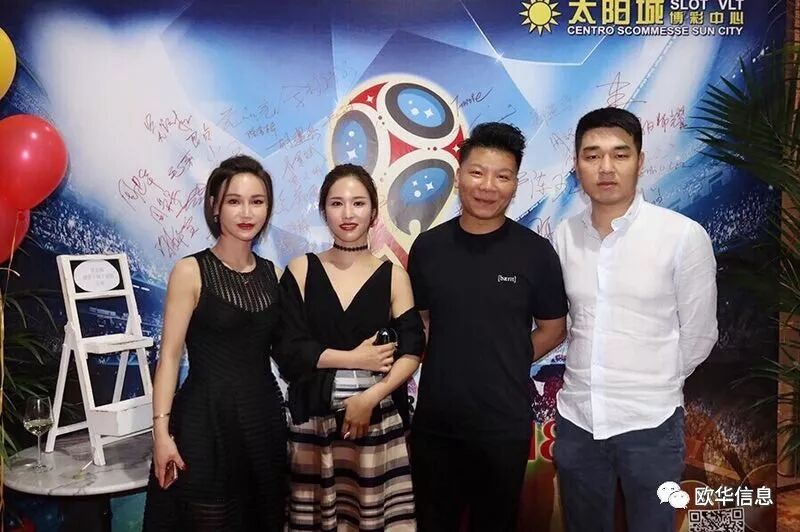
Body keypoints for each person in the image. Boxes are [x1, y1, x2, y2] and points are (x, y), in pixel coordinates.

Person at [551, 107, 718, 532]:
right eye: (592, 155)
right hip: (578, 420)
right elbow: (565, 322)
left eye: (620, 154)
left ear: (640, 161)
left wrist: (654, 381)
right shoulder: (563, 236)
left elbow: (700, 334)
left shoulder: (682, 236)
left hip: (650, 424)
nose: (606, 167)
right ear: (576, 164)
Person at [407, 122, 569, 532]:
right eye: (477, 173)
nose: (487, 186)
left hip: (503, 426)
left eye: (502, 176)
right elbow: (422, 321)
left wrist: (507, 358)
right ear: (459, 175)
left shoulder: (536, 253)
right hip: (436, 424)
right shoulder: (428, 248)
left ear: (515, 184)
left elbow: (553, 328)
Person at [276, 163, 424, 531]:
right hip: (313, 423)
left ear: (373, 213)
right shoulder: (301, 269)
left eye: (358, 203)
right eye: (336, 203)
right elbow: (288, 350)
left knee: (370, 520)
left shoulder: (394, 276)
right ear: (323, 210)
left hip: (376, 422)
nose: (347, 213)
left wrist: (369, 398)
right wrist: (355, 358)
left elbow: (412, 350)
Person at [143, 155, 288, 531]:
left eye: (257, 201)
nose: (247, 212)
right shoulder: (190, 271)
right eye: (234, 201)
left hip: (263, 422)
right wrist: (161, 433)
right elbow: (169, 357)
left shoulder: (275, 275)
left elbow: (291, 351)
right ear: (214, 206)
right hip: (205, 423)